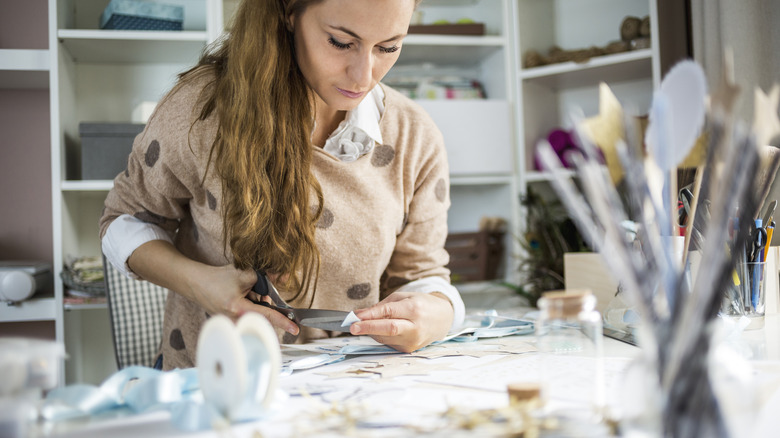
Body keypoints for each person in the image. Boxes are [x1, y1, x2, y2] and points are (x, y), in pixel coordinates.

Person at [99, 0, 465, 370]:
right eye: (340, 42)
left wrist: (439, 312)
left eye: (388, 47)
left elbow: (423, 276)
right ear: (289, 13)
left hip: (350, 392)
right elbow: (122, 222)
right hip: (216, 386)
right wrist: (200, 284)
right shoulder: (202, 109)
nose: (363, 76)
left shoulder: (414, 135)